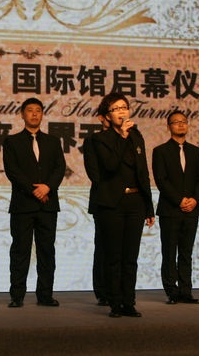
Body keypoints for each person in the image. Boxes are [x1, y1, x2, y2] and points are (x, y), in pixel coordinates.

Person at [86, 92, 155, 318]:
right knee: (113, 256)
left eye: (124, 107)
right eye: (116, 109)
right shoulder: (98, 140)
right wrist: (123, 137)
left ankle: (129, 302)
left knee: (130, 257)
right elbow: (109, 166)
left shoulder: (136, 136)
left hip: (135, 202)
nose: (122, 112)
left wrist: (149, 206)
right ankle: (115, 303)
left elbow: (143, 172)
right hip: (111, 204)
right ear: (107, 116)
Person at [3, 97, 66, 307]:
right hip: (22, 205)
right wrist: (34, 190)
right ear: (22, 114)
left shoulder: (53, 141)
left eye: (38, 110)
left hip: (48, 205)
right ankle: (17, 296)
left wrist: (47, 187)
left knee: (46, 251)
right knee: (20, 251)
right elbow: (13, 171)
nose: (34, 114)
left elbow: (59, 168)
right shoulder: (12, 141)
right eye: (30, 110)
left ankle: (45, 295)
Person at [151, 111, 199, 305]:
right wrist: (179, 200)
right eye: (176, 122)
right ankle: (171, 291)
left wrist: (195, 200)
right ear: (169, 127)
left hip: (192, 209)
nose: (181, 125)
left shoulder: (195, 151)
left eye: (184, 122)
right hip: (170, 209)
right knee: (169, 252)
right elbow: (161, 180)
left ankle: (186, 291)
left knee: (186, 252)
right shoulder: (160, 151)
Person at [83, 103, 109, 307]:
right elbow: (95, 173)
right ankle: (103, 291)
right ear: (102, 117)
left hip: (129, 202)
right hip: (105, 200)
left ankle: (123, 291)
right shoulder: (93, 140)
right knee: (104, 247)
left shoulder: (131, 137)